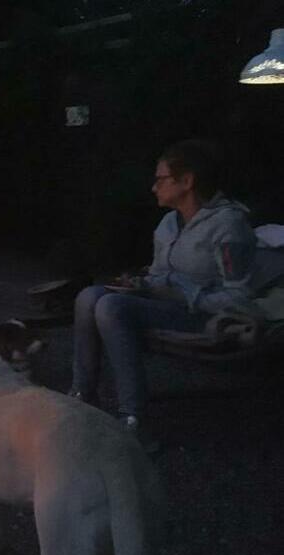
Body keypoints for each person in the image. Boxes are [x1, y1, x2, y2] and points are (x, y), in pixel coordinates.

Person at [67, 139, 258, 450]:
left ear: (187, 181)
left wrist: (182, 293)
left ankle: (133, 420)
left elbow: (239, 298)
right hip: (165, 305)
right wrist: (140, 284)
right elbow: (158, 276)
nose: (154, 187)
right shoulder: (169, 224)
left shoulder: (229, 226)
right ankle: (81, 399)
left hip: (202, 316)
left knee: (111, 307)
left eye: (161, 179)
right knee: (88, 297)